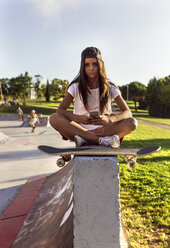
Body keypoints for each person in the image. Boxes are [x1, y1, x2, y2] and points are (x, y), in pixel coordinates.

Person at [49, 47, 138, 147]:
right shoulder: (75, 86)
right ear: (82, 66)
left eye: (94, 64)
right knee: (53, 118)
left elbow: (127, 112)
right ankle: (101, 141)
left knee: (132, 123)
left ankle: (85, 139)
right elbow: (60, 111)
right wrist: (78, 118)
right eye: (87, 65)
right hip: (79, 129)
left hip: (103, 130)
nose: (91, 68)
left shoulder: (110, 87)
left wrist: (109, 120)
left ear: (100, 65)